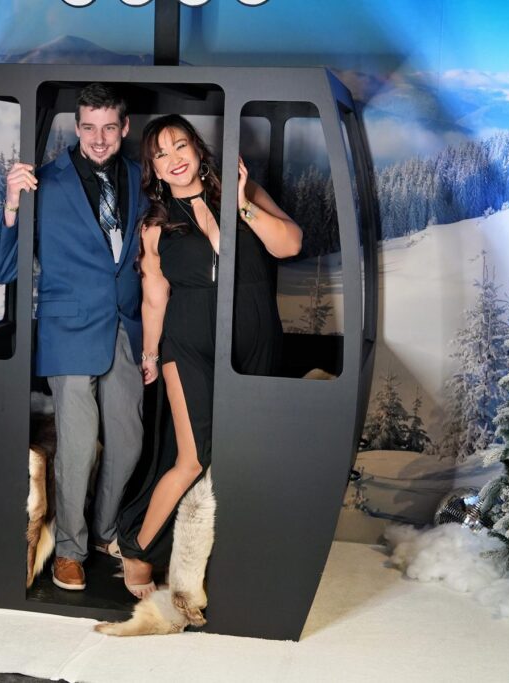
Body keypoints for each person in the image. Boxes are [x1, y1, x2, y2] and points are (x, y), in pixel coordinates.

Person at [113, 114, 302, 597]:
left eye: (180, 147)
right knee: (192, 458)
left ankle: (234, 563)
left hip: (255, 336)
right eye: (160, 154)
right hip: (187, 343)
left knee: (245, 453)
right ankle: (136, 548)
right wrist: (151, 353)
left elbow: (290, 245)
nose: (174, 159)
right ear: (153, 169)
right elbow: (155, 295)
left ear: (198, 151)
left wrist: (242, 206)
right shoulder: (155, 226)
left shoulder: (243, 193)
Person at [0, 84, 148, 592]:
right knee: (77, 446)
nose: (98, 139)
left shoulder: (143, 179)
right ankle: (71, 551)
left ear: (124, 129)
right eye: (87, 128)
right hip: (70, 328)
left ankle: (103, 532)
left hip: (126, 325)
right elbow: (3, 266)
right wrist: (11, 205)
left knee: (129, 441)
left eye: (108, 128)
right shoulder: (45, 183)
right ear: (75, 128)